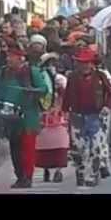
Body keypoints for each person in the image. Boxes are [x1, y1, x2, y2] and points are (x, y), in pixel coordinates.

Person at [0, 46, 51, 189]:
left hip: (28, 116)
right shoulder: (3, 72)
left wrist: (32, 91)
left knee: (27, 148)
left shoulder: (32, 72)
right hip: (10, 115)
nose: (8, 59)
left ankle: (27, 177)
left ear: (20, 58)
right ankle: (20, 176)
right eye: (8, 56)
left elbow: (44, 89)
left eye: (11, 56)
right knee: (14, 148)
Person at [62, 47, 111, 187]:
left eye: (87, 62)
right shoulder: (72, 77)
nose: (84, 65)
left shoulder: (100, 76)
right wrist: (64, 111)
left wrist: (106, 106)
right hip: (77, 116)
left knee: (95, 148)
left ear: (92, 63)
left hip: (95, 115)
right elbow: (67, 95)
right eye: (81, 62)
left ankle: (94, 174)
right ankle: (80, 172)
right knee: (78, 149)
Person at [35, 53, 70, 183]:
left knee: (60, 142)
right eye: (49, 64)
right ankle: (46, 169)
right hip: (44, 113)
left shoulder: (61, 78)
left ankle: (58, 170)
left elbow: (66, 93)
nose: (51, 67)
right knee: (44, 142)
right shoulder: (40, 77)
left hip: (58, 114)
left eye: (53, 64)